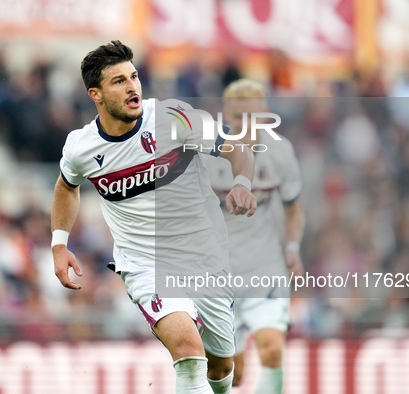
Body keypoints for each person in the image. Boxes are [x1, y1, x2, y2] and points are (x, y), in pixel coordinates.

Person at [51, 41, 257, 394]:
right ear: (95, 95)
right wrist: (59, 244)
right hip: (146, 265)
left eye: (133, 77)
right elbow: (66, 187)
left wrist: (241, 182)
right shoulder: (82, 147)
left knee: (222, 365)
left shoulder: (172, 118)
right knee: (189, 353)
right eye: (118, 81)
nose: (132, 86)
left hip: (204, 255)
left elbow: (235, 145)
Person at [202, 79, 305, 393]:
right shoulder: (206, 154)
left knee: (273, 348)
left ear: (266, 116)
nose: (245, 126)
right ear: (224, 117)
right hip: (218, 270)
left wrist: (292, 246)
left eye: (253, 118)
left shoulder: (280, 152)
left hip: (264, 265)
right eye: (237, 119)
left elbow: (294, 209)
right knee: (233, 371)